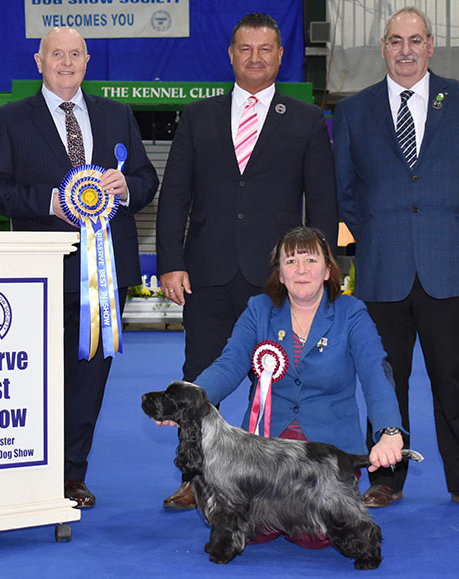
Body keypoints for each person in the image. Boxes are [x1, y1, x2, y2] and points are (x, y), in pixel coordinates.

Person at [156, 12, 338, 509]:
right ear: (231, 54)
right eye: (245, 48)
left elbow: (322, 203)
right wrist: (170, 261)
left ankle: (273, 479)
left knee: (277, 380)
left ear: (281, 55)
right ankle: (195, 478)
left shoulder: (305, 120)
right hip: (207, 272)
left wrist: (322, 272)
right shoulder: (197, 117)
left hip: (279, 281)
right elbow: (174, 194)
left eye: (265, 49)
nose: (255, 58)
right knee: (199, 376)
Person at [0, 27, 158, 508]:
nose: (65, 62)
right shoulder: (9, 119)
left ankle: (70, 475)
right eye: (55, 54)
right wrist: (51, 204)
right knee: (33, 376)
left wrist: (126, 189)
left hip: (104, 276)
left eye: (74, 54)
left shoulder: (117, 115)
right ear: (38, 62)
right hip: (36, 273)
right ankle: (28, 466)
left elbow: (147, 179)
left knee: (88, 381)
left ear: (87, 61)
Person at [158, 227, 404, 548]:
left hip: (326, 454)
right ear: (280, 273)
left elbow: (375, 371)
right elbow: (229, 365)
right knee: (254, 532)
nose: (301, 270)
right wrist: (186, 401)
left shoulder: (351, 312)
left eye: (311, 260)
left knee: (312, 538)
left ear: (328, 269)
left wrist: (389, 430)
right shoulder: (258, 310)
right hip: (264, 450)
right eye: (291, 261)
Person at [333, 7, 459, 507]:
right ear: (383, 48)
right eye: (394, 41)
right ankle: (386, 479)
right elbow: (344, 195)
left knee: (453, 379)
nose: (405, 50)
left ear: (431, 45)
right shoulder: (352, 112)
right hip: (381, 272)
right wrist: (369, 243)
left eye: (414, 40)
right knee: (385, 382)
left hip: (449, 269)